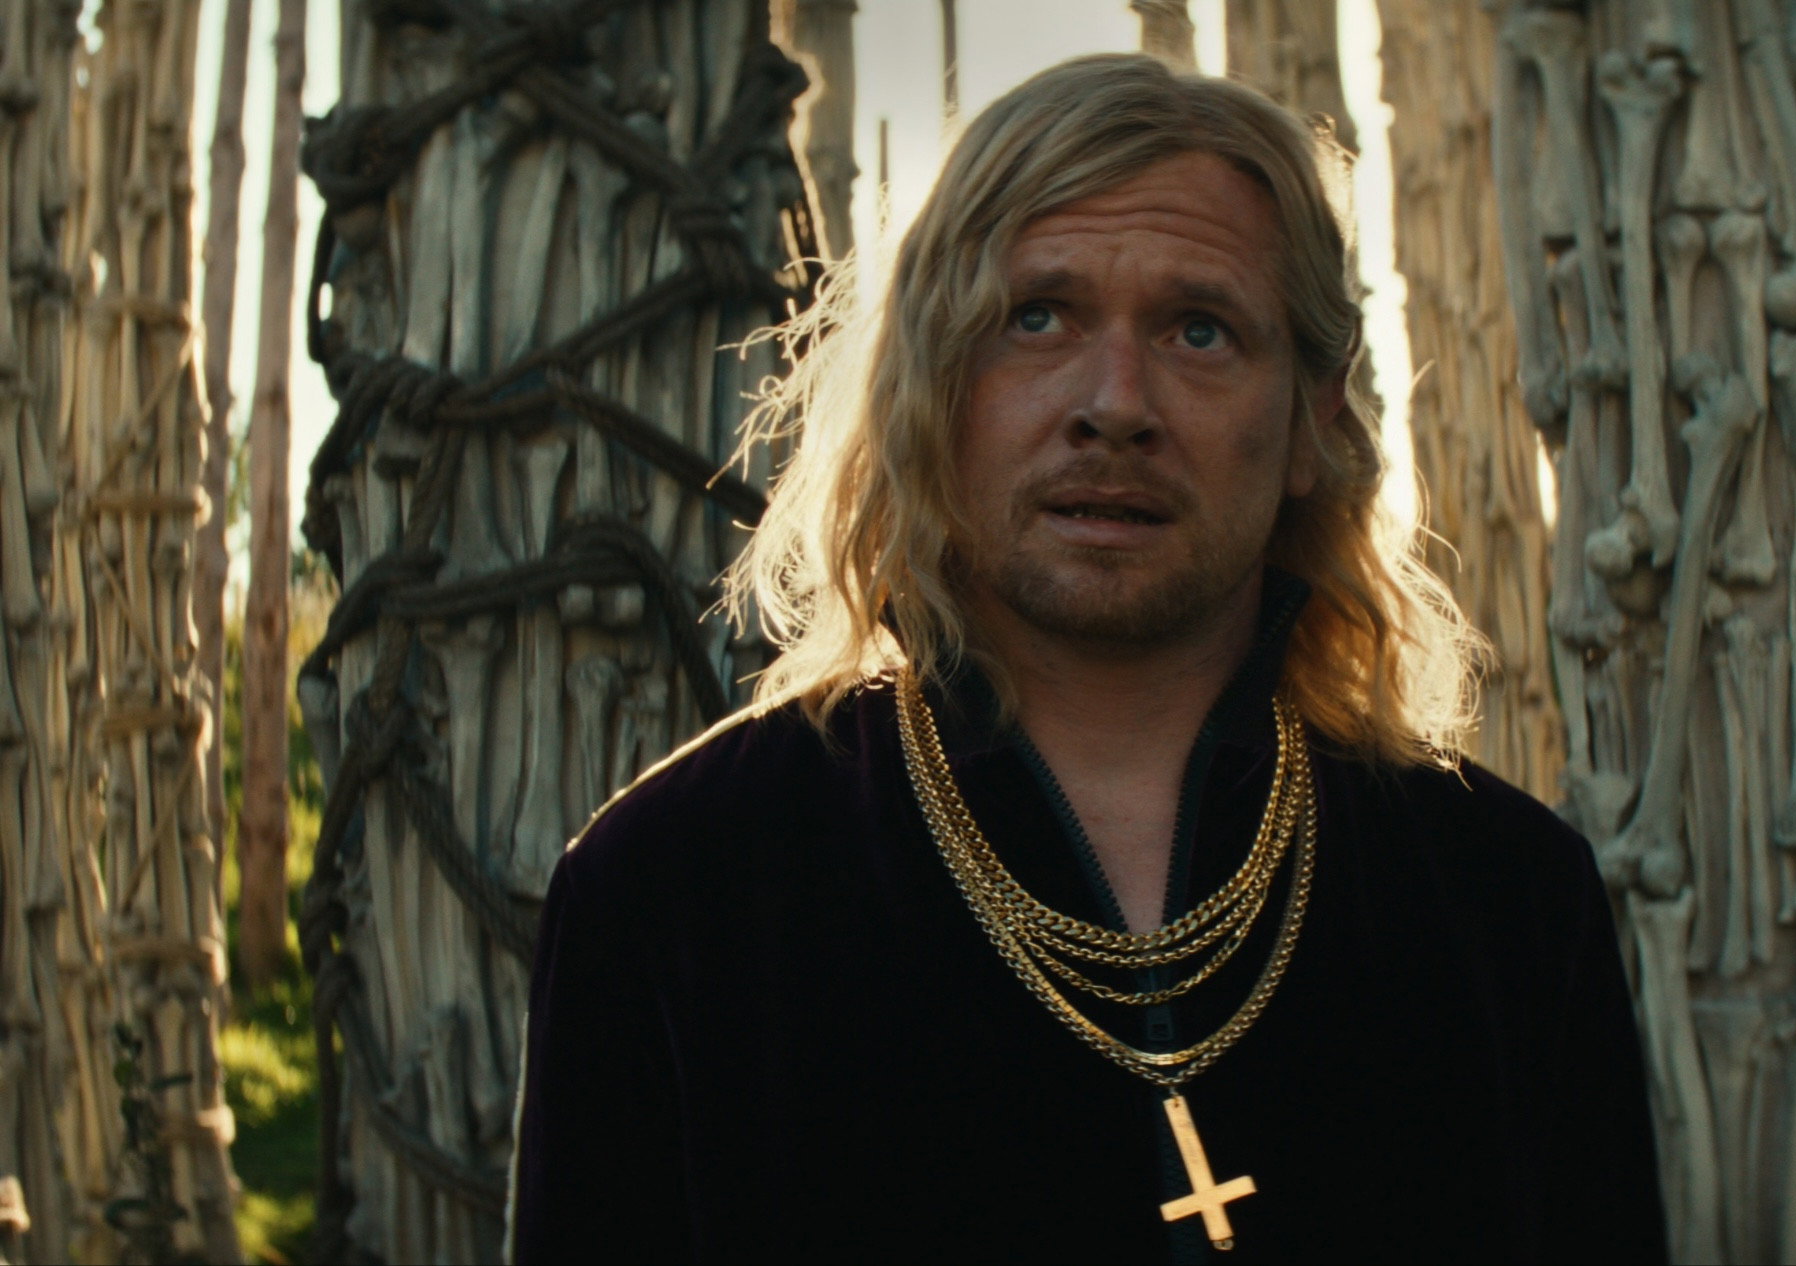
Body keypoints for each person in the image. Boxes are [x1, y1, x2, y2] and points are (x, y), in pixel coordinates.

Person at [508, 52, 1665, 1265]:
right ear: (927, 384)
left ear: (1312, 419)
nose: (1115, 402)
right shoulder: (678, 896)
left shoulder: (1504, 904)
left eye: (1200, 329)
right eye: (1038, 317)